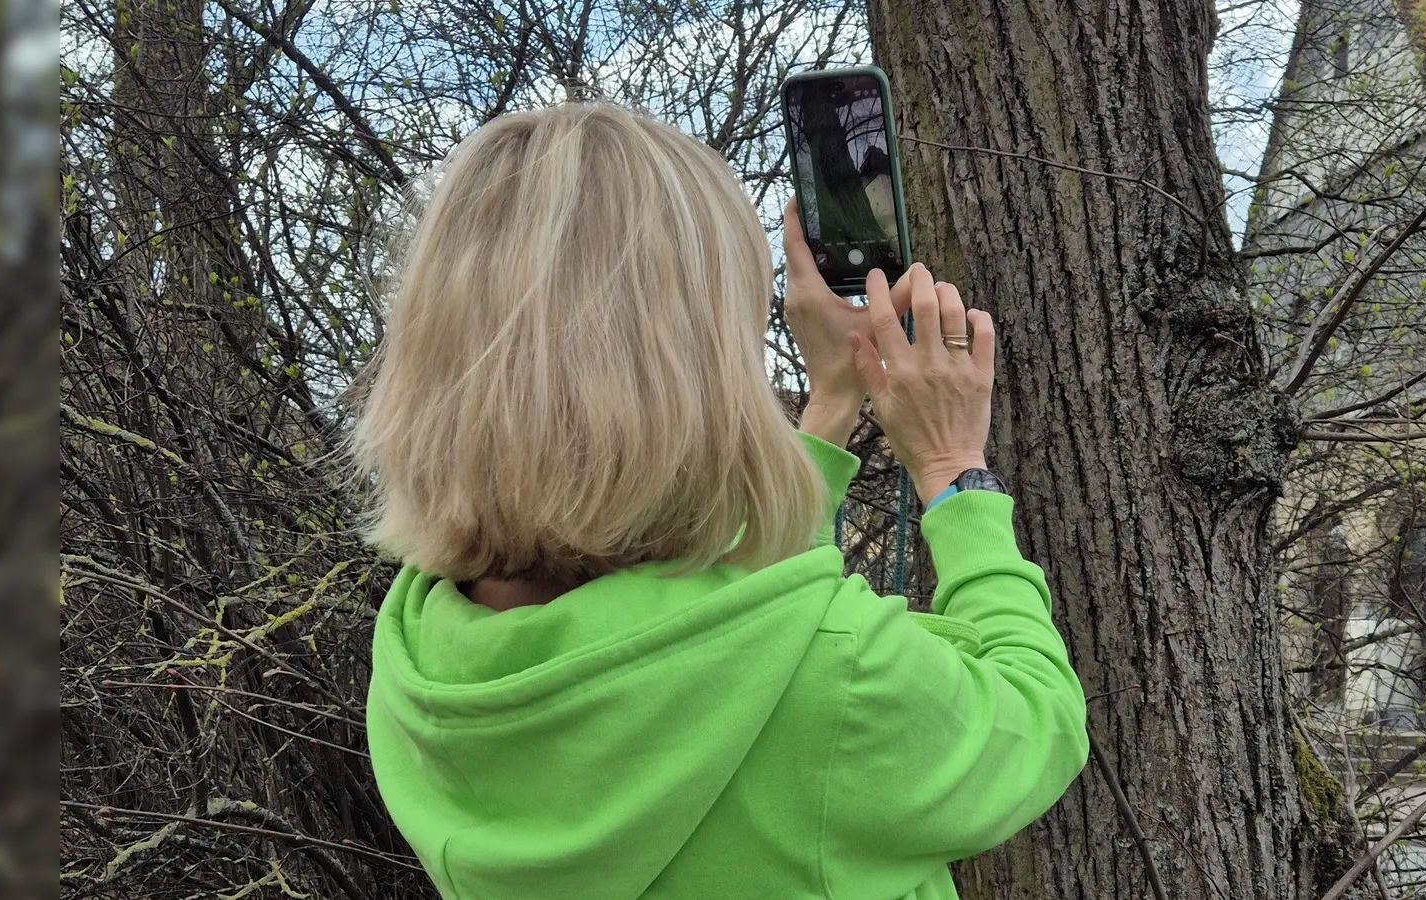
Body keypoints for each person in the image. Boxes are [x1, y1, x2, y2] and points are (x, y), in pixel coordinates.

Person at [350, 102, 1088, 900]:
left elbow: (719, 632)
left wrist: (832, 405)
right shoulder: (831, 678)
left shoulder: (421, 662)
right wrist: (953, 471)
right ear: (693, 361)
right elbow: (1033, 724)